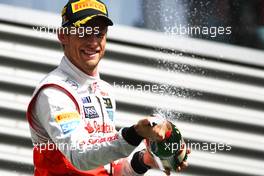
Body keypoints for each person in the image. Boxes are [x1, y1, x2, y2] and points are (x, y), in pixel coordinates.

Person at [26, 0, 189, 175]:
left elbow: (111, 169)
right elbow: (79, 155)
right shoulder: (54, 92)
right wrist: (134, 134)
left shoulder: (104, 91)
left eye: (100, 33)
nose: (93, 42)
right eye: (85, 32)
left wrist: (145, 160)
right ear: (63, 35)